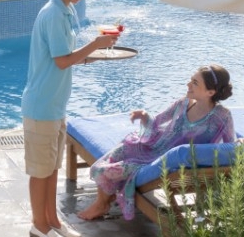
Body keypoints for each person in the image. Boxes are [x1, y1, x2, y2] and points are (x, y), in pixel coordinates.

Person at [22, 0, 118, 237]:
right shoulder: (53, 15)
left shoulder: (64, 10)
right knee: (40, 171)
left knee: (52, 168)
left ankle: (52, 220)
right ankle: (39, 226)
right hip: (41, 106)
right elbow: (62, 61)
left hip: (54, 105)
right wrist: (96, 43)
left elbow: (67, 56)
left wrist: (97, 55)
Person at [77, 64, 235, 222]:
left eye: (195, 83)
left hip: (164, 163)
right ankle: (105, 199)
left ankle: (102, 204)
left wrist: (241, 142)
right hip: (152, 147)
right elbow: (158, 121)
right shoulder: (183, 103)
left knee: (103, 171)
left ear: (210, 92)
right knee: (106, 161)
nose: (188, 84)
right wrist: (144, 116)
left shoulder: (221, 116)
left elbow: (230, 148)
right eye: (191, 80)